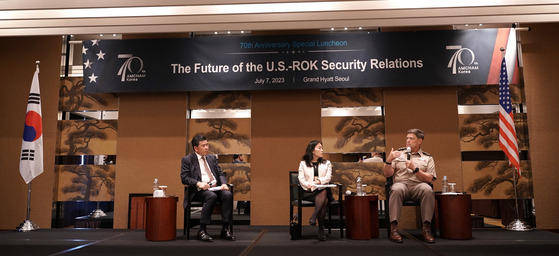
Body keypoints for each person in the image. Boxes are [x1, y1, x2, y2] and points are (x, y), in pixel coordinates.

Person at [383, 129, 436, 243]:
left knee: (428, 190)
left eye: (411, 138)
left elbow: (429, 178)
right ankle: (394, 230)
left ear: (420, 141)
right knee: (396, 189)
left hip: (419, 186)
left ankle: (426, 229)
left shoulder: (427, 158)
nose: (408, 141)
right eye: (407, 138)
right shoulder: (398, 154)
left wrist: (415, 169)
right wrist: (389, 160)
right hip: (401, 185)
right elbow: (387, 174)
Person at [181, 134, 235, 242]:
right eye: (203, 145)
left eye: (207, 145)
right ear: (196, 148)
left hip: (215, 187)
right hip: (199, 190)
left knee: (228, 195)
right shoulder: (187, 160)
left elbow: (220, 173)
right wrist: (198, 183)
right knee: (211, 196)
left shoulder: (212, 158)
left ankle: (225, 229)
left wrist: (224, 184)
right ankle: (202, 230)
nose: (207, 148)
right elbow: (184, 178)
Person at [298, 140, 332, 242]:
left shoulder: (327, 163)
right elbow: (301, 178)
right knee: (324, 200)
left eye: (322, 148)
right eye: (319, 148)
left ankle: (314, 217)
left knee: (323, 193)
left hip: (321, 189)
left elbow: (328, 177)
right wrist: (308, 185)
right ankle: (321, 229)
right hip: (308, 191)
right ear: (312, 151)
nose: (322, 150)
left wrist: (318, 182)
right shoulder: (303, 163)